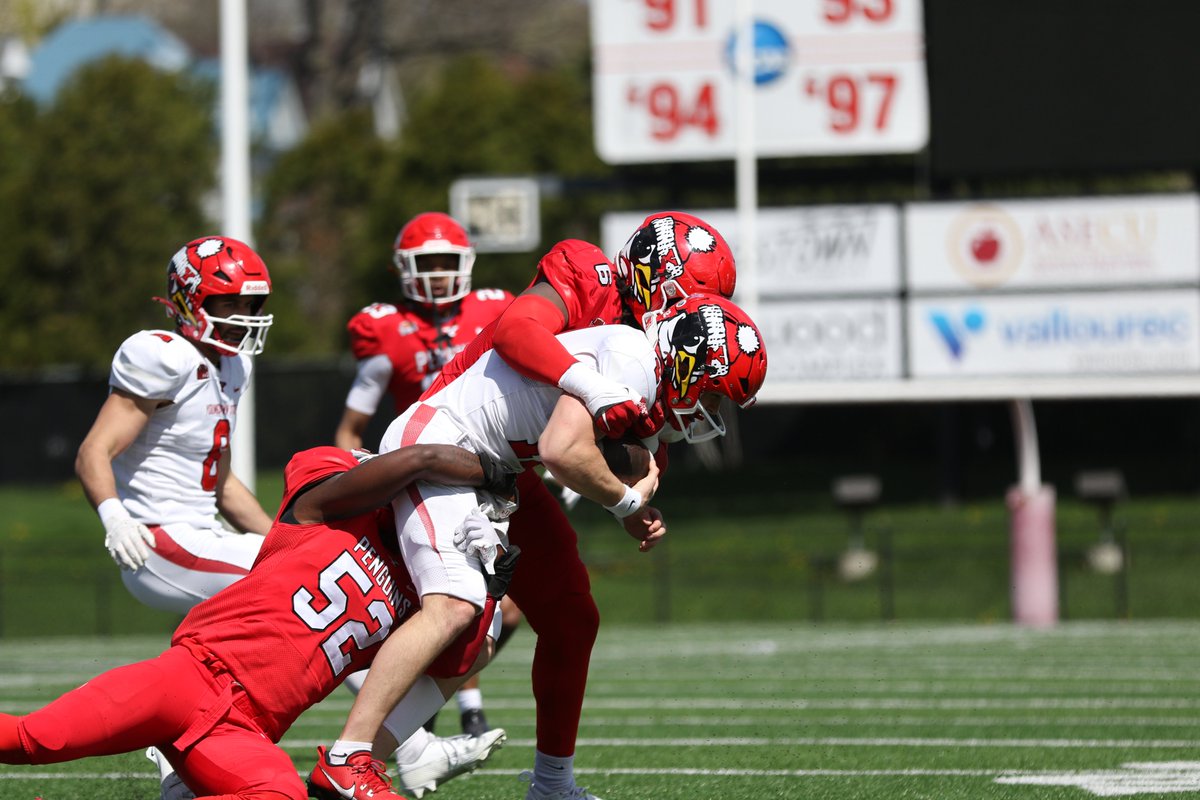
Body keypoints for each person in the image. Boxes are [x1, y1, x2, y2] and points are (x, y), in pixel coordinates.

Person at [311, 283, 767, 800]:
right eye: (711, 392)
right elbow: (561, 449)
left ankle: (366, 758)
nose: (708, 408)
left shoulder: (648, 376)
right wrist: (626, 503)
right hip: (441, 443)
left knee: (474, 643)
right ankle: (348, 755)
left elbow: (636, 466)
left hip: (486, 474)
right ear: (686, 363)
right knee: (456, 603)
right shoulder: (633, 358)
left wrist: (635, 498)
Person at [3, 442, 517, 800]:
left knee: (281, 794)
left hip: (246, 726)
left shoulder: (421, 594)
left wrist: (483, 592)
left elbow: (457, 660)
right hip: (187, 676)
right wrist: (482, 469)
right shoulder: (330, 504)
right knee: (29, 740)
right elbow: (412, 459)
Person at [333, 211, 520, 742]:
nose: (437, 274)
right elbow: (351, 427)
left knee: (496, 607)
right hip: (421, 471)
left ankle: (437, 703)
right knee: (461, 599)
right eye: (426, 263)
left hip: (486, 470)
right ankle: (408, 718)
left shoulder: (492, 310)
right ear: (403, 268)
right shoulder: (386, 329)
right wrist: (362, 478)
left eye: (446, 262)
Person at [75, 235, 276, 614]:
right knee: (305, 576)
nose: (242, 315)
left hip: (205, 535)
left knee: (309, 570)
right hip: (155, 540)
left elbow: (223, 484)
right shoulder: (163, 356)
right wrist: (115, 518)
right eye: (229, 303)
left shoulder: (235, 366)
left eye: (248, 304)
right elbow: (93, 451)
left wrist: (282, 540)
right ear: (191, 299)